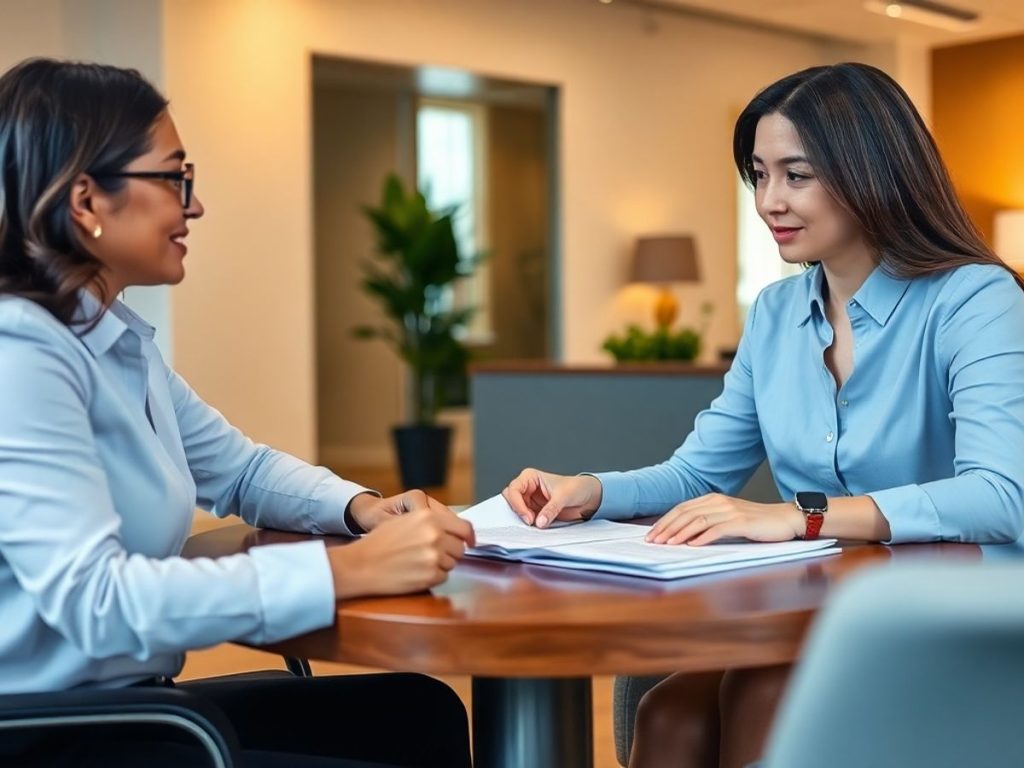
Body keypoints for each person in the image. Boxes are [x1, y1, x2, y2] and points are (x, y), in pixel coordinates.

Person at [503, 61, 1024, 768]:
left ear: (871, 170)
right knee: (670, 716)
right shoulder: (777, 314)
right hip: (817, 607)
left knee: (764, 702)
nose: (770, 200)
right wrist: (592, 492)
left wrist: (802, 514)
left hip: (953, 613)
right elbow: (698, 469)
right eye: (759, 174)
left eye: (797, 175)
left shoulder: (975, 299)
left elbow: (1002, 495)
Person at [0, 58, 475, 768]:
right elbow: (96, 599)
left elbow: (242, 470)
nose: (193, 207)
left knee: (420, 708)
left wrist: (361, 510)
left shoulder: (114, 340)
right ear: (86, 201)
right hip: (51, 734)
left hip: (129, 704)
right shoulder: (23, 354)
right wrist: (350, 572)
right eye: (174, 179)